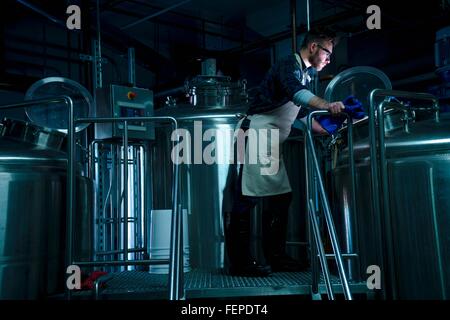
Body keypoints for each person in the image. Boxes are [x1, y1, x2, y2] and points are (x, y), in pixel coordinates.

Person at [223, 28, 345, 277]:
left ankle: (276, 257)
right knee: (247, 198)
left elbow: (298, 113)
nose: (328, 60)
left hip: (272, 141)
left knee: (282, 197)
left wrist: (329, 127)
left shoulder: (305, 74)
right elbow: (295, 93)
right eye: (327, 54)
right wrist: (326, 104)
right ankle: (239, 263)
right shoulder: (288, 64)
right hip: (256, 133)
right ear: (313, 47)